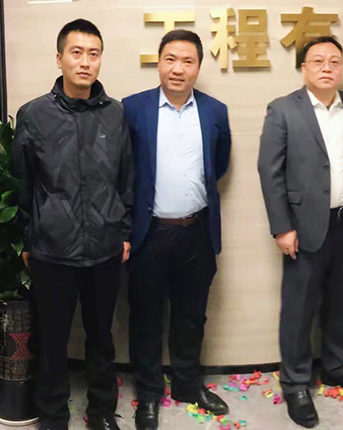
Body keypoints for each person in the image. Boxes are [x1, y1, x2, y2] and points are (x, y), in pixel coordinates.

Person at [258, 36, 343, 428]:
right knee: (299, 309)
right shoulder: (283, 109)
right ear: (303, 68)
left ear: (342, 67)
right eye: (317, 61)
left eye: (334, 61)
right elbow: (270, 173)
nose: (326, 67)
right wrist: (282, 227)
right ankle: (295, 382)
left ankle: (336, 366)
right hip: (305, 227)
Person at [12, 19, 132, 430]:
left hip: (104, 247)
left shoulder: (116, 115)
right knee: (52, 340)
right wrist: (28, 238)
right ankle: (52, 417)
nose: (84, 62)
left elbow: (127, 179)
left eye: (93, 54)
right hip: (52, 249)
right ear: (59, 58)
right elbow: (23, 183)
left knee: (101, 337)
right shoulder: (34, 115)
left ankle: (101, 412)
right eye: (76, 53)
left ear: (101, 60)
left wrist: (124, 231)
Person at [122, 30, 232, 430]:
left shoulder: (215, 111)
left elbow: (219, 163)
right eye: (170, 59)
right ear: (159, 62)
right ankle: (149, 393)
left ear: (198, 67)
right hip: (148, 233)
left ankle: (187, 385)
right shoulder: (133, 108)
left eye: (187, 61)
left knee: (191, 316)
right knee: (145, 318)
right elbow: (122, 169)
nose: (178, 68)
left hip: (196, 231)